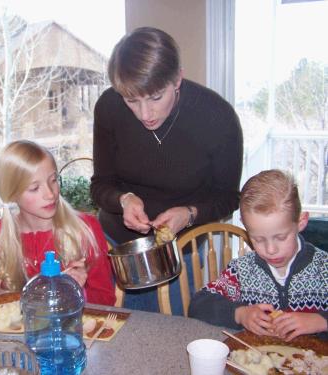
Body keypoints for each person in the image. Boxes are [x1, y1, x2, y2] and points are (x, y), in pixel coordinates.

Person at [90, 27, 243, 312]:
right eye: (132, 100)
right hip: (118, 249)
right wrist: (123, 200)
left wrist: (189, 214)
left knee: (175, 339)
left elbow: (228, 198)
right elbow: (100, 186)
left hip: (183, 253)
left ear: (177, 79)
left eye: (156, 97)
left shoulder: (216, 117)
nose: (145, 114)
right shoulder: (109, 107)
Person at [188, 170, 328, 341]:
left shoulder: (323, 268)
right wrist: (240, 314)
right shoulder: (241, 271)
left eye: (281, 237)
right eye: (258, 239)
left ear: (301, 222)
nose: (270, 249)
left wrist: (321, 321)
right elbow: (198, 305)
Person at [0, 140, 116, 306]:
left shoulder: (85, 229)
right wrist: (55, 291)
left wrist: (76, 291)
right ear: (12, 194)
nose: (50, 194)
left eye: (53, 180)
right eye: (34, 188)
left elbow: (106, 300)